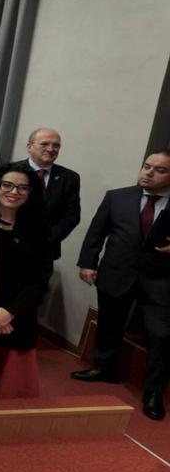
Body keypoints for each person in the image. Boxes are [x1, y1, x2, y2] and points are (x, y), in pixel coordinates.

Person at [73, 151, 170, 420]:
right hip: (117, 272)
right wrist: (87, 263)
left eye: (159, 170)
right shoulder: (117, 197)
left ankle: (153, 392)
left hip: (160, 281)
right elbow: (97, 231)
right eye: (147, 166)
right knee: (109, 323)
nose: (149, 173)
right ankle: (104, 369)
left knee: (160, 335)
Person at [0, 164, 52, 400]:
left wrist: (10, 312)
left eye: (23, 188)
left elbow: (41, 279)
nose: (14, 192)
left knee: (8, 398)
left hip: (17, 317)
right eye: (8, 185)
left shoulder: (39, 228)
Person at [18, 127, 81, 259]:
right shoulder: (11, 171)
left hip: (46, 251)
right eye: (44, 144)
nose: (51, 149)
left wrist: (47, 238)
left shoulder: (69, 178)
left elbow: (72, 216)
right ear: (29, 146)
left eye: (56, 145)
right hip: (11, 247)